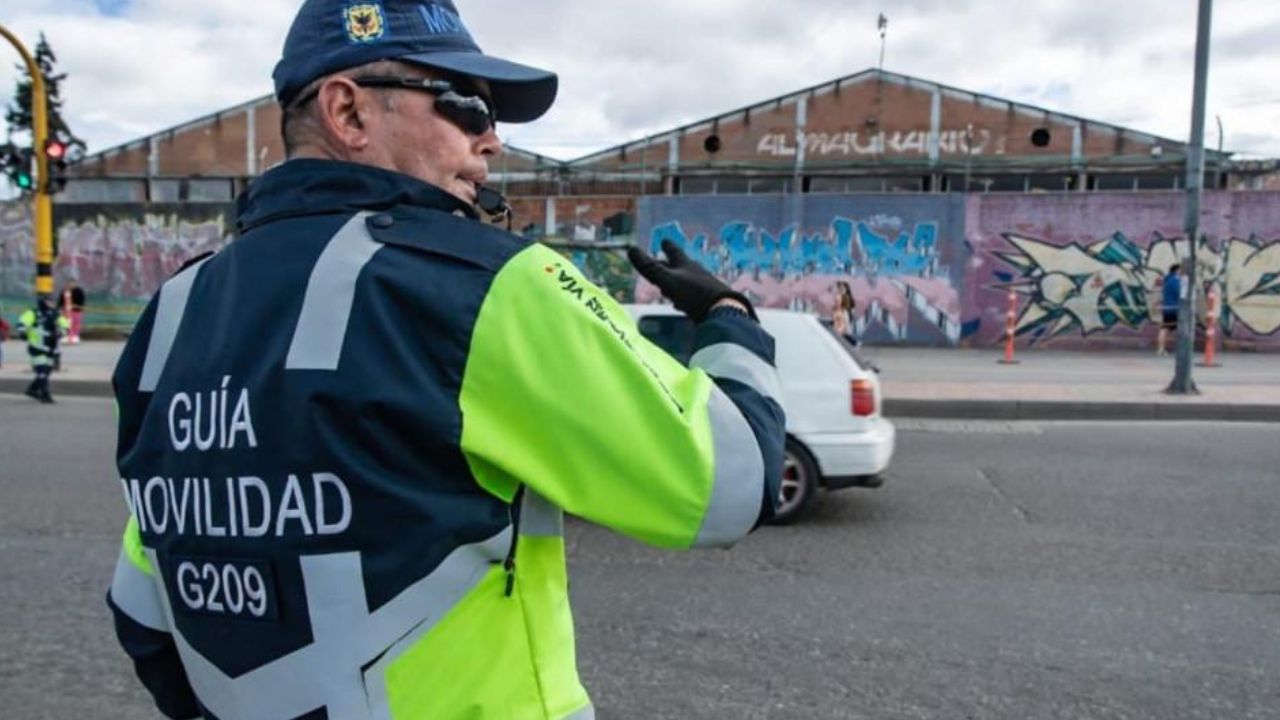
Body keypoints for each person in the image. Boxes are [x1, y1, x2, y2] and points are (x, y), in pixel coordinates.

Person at [104, 2, 785, 719]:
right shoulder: (485, 283)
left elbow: (144, 610)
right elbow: (727, 487)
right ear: (349, 112)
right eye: (465, 105)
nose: (492, 140)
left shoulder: (172, 311)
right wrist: (730, 321)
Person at [16, 296, 68, 403]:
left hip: (51, 348)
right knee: (42, 372)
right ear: (43, 302)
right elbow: (22, 323)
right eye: (49, 301)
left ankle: (32, 390)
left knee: (47, 371)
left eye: (53, 301)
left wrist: (62, 331)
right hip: (36, 347)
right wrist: (22, 332)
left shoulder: (55, 313)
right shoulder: (33, 312)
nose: (52, 303)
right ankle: (45, 395)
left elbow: (65, 324)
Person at [1157, 263, 1182, 356]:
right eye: (1181, 270)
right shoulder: (1175, 280)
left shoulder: (1167, 280)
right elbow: (1180, 292)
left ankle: (1161, 349)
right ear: (1177, 271)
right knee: (1168, 329)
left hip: (1167, 308)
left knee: (1165, 328)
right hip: (1174, 308)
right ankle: (1162, 349)